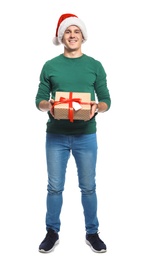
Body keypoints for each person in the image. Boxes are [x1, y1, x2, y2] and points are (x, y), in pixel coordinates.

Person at [35, 13, 111, 253]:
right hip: (56, 136)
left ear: (83, 36)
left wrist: (95, 107)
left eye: (76, 31)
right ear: (61, 37)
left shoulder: (94, 66)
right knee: (54, 187)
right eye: (68, 32)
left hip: (86, 135)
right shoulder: (50, 66)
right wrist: (50, 105)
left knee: (88, 186)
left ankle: (92, 232)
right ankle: (51, 232)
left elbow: (106, 100)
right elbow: (39, 100)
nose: (72, 35)